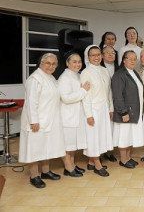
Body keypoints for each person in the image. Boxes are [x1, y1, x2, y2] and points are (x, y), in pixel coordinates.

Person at [19, 53, 66, 188]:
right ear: (41, 63)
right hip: (36, 121)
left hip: (50, 119)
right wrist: (34, 121)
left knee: (46, 146)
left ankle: (45, 172)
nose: (50, 66)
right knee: (34, 149)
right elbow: (31, 102)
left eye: (53, 64)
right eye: (47, 63)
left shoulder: (50, 78)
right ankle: (34, 176)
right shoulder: (35, 79)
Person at [81, 45, 114, 177]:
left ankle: (91, 162)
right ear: (88, 58)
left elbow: (109, 92)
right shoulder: (86, 72)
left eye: (98, 54)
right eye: (93, 55)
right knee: (93, 137)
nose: (96, 57)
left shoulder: (104, 70)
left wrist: (110, 108)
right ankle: (97, 164)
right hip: (93, 109)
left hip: (104, 108)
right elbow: (86, 96)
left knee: (100, 136)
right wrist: (89, 115)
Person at [58, 52, 90, 178]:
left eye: (79, 61)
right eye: (74, 62)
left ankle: (71, 164)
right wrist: (83, 91)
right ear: (67, 63)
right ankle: (68, 167)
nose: (78, 64)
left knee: (72, 144)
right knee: (67, 144)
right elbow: (66, 98)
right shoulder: (65, 77)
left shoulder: (76, 75)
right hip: (68, 115)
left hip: (76, 115)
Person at [112, 50, 144, 169]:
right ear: (124, 60)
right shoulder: (119, 74)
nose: (133, 61)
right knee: (124, 137)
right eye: (130, 58)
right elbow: (117, 95)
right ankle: (123, 160)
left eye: (135, 59)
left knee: (130, 136)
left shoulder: (134, 72)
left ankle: (128, 157)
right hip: (125, 112)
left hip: (134, 111)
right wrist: (123, 111)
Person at [100, 45, 119, 162]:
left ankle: (109, 151)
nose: (111, 55)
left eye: (113, 53)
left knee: (112, 128)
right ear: (102, 55)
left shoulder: (119, 68)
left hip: (116, 101)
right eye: (108, 53)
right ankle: (101, 152)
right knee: (102, 128)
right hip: (103, 102)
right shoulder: (100, 68)